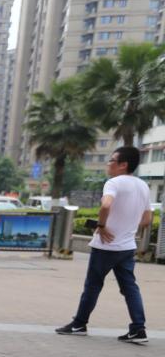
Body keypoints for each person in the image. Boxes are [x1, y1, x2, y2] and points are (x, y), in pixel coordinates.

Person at [56, 145, 152, 344]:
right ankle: (138, 328)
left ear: (123, 164)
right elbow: (147, 219)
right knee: (130, 288)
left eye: (111, 160)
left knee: (93, 285)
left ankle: (79, 325)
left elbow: (106, 205)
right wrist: (127, 228)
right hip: (127, 247)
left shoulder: (113, 183)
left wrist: (101, 226)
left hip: (106, 246)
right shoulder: (143, 185)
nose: (108, 164)